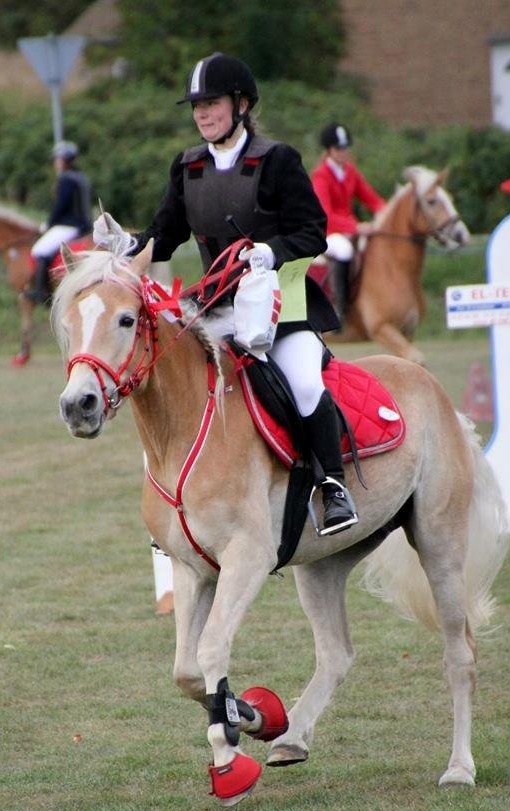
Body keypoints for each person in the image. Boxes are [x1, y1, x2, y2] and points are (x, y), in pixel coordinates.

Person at [94, 52, 357, 536]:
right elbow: (164, 234)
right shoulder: (188, 167)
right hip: (214, 314)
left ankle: (333, 487)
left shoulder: (277, 161)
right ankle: (179, 505)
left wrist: (267, 251)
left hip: (282, 311)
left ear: (241, 104)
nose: (201, 114)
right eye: (195, 105)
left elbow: (313, 233)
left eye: (211, 103)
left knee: (303, 383)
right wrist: (124, 244)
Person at [311, 122, 385, 320]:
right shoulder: (321, 176)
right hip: (327, 233)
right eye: (339, 148)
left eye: (345, 148)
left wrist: (386, 213)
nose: (343, 152)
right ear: (329, 150)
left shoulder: (350, 172)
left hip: (348, 229)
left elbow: (371, 198)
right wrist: (356, 227)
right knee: (344, 251)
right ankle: (339, 309)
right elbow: (325, 215)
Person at [26, 141, 92, 304]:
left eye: (57, 159)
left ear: (63, 160)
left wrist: (48, 224)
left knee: (39, 251)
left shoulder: (66, 179)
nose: (56, 162)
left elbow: (60, 206)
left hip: (70, 225)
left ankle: (41, 293)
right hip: (84, 224)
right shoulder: (81, 177)